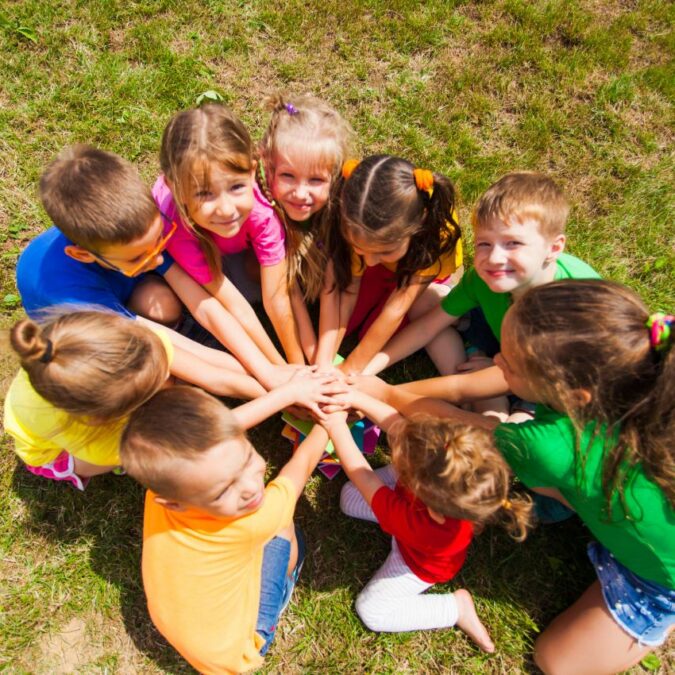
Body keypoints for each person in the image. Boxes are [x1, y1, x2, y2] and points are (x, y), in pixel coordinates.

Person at [490, 280, 674, 673]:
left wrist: (385, 397)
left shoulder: (551, 447)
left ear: (575, 394)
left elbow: (479, 431)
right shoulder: (647, 374)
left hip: (661, 580)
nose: (495, 361)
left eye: (508, 361)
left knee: (557, 661)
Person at [16, 144, 294, 390]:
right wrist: (274, 385)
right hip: (89, 325)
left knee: (164, 304)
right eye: (139, 257)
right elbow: (195, 364)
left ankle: (160, 306)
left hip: (122, 280)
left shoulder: (135, 233)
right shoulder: (73, 300)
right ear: (83, 255)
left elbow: (206, 305)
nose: (158, 259)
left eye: (159, 241)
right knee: (156, 378)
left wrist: (276, 372)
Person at [120, 385, 335, 674]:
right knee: (282, 525)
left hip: (191, 628)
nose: (250, 488)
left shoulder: (170, 486)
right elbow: (299, 467)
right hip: (238, 651)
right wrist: (330, 422)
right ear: (175, 503)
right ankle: (283, 584)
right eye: (223, 492)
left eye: (247, 458)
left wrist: (287, 394)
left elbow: (225, 428)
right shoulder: (249, 522)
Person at [320, 387, 531, 650]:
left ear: (430, 505)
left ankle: (455, 608)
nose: (398, 451)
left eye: (407, 468)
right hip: (407, 510)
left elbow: (363, 476)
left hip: (415, 562)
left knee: (372, 611)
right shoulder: (444, 454)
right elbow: (396, 425)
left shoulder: (425, 526)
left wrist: (335, 425)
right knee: (348, 498)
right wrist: (354, 397)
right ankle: (394, 487)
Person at [361, 172, 599, 405]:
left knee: (501, 428)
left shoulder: (574, 306)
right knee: (426, 300)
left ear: (554, 248)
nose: (494, 257)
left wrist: (384, 392)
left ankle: (486, 406)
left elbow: (563, 382)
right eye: (484, 243)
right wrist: (364, 371)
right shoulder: (483, 278)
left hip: (544, 389)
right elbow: (427, 327)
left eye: (513, 243)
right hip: (502, 351)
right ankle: (473, 387)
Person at [154, 103, 305, 364]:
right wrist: (282, 373)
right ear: (174, 189)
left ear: (251, 171)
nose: (226, 209)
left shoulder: (261, 212)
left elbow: (276, 297)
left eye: (236, 187)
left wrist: (298, 365)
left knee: (273, 284)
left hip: (226, 247)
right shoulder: (174, 227)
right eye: (204, 193)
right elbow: (234, 305)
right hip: (195, 251)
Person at [315, 154, 464, 374]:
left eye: (384, 251)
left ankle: (441, 291)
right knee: (347, 324)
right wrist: (323, 361)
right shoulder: (356, 219)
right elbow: (347, 290)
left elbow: (397, 308)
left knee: (372, 336)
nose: (370, 261)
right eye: (360, 249)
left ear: (418, 224)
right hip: (388, 270)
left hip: (415, 274)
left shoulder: (437, 233)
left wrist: (350, 370)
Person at [4, 311, 174, 490]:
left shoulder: (60, 357)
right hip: (47, 452)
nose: (168, 374)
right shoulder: (90, 437)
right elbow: (116, 450)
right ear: (102, 418)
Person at [258, 94, 354, 364]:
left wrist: (320, 361)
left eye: (315, 180)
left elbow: (332, 288)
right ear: (269, 167)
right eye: (288, 176)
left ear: (333, 178)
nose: (301, 193)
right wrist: (306, 359)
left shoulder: (339, 211)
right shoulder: (268, 214)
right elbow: (289, 292)